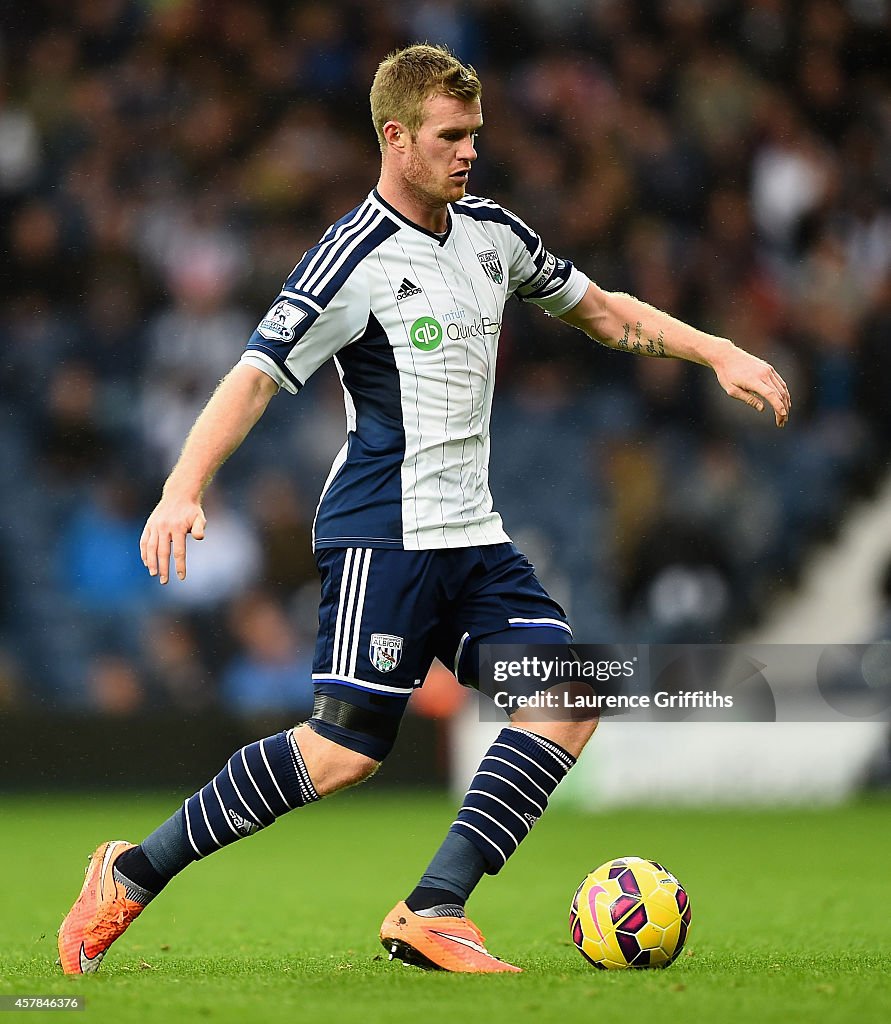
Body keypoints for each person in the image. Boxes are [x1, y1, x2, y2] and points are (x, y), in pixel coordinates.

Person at [58, 44, 791, 976]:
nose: (468, 153)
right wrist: (181, 488)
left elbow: (602, 312)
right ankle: (129, 873)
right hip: (383, 536)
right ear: (395, 138)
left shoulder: (493, 234)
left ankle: (432, 908)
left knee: (565, 695)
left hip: (474, 539)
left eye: (475, 135)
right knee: (340, 754)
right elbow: (252, 377)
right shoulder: (348, 259)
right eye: (449, 136)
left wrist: (717, 350)